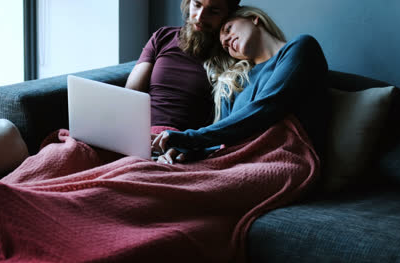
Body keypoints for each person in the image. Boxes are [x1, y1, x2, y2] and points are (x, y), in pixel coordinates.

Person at [152, 5, 329, 164]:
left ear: (253, 19)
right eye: (225, 46)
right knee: (140, 170)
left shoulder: (300, 48)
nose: (227, 41)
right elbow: (222, 141)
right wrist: (183, 152)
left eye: (228, 29)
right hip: (231, 161)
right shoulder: (236, 82)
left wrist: (189, 138)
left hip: (281, 160)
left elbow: (266, 108)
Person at [124, 0, 241, 136]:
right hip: (139, 134)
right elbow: (130, 96)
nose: (199, 17)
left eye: (213, 12)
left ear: (229, 15)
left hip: (181, 142)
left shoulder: (232, 54)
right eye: (197, 5)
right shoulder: (163, 37)